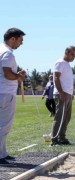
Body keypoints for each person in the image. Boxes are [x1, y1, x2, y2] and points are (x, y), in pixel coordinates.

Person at [0, 28, 26, 165]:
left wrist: (16, 75)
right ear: (13, 39)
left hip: (2, 91)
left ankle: (3, 153)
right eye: (20, 40)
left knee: (2, 125)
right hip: (5, 93)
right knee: (4, 126)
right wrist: (18, 77)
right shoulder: (8, 53)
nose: (21, 43)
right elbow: (7, 74)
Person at [51, 46, 75, 146]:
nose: (74, 57)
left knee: (66, 118)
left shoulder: (67, 65)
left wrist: (71, 94)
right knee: (59, 117)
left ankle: (62, 137)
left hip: (68, 94)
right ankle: (54, 140)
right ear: (66, 52)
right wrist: (61, 92)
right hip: (61, 93)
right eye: (72, 54)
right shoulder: (60, 62)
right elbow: (56, 78)